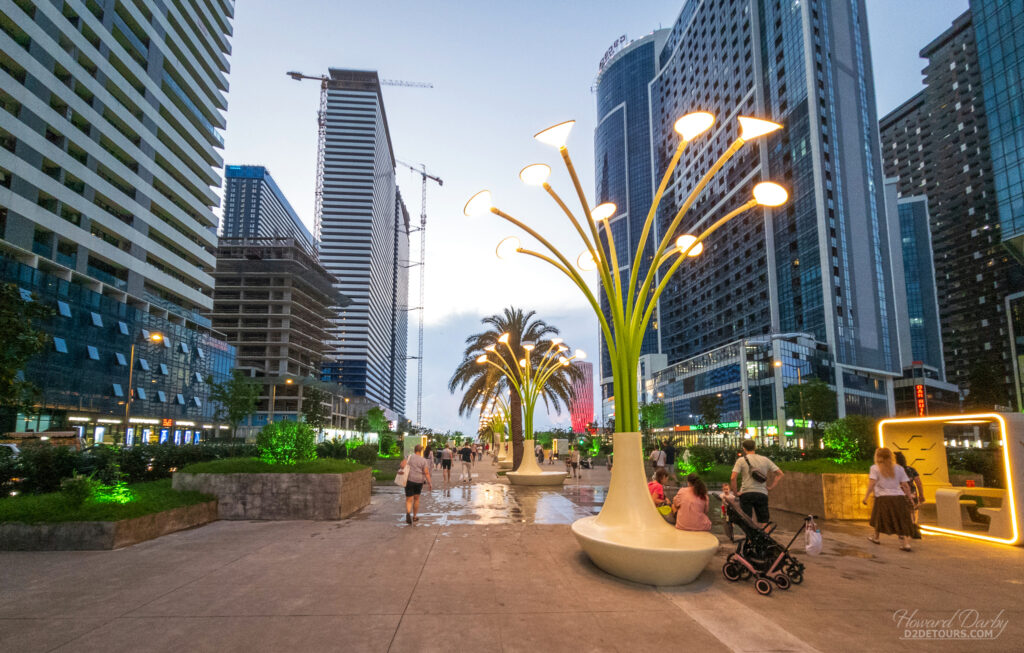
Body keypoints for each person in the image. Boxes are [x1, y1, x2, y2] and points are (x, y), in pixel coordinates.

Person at [863, 447, 916, 551]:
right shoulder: (899, 468)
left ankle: (876, 537)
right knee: (900, 519)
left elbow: (872, 483)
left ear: (877, 456)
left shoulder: (875, 468)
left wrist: (866, 496)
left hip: (882, 498)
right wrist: (910, 498)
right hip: (898, 497)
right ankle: (905, 543)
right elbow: (905, 485)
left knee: (879, 517)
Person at [730, 439, 783, 526]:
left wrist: (735, 492)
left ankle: (751, 539)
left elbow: (733, 478)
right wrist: (771, 487)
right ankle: (764, 539)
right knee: (764, 521)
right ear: (755, 447)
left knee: (747, 520)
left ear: (744, 448)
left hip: (746, 493)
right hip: (762, 493)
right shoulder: (765, 459)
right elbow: (780, 474)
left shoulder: (741, 460)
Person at [399, 444, 432, 524]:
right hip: (419, 481)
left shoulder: (409, 457)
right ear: (421, 451)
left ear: (414, 450)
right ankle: (414, 516)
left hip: (409, 480)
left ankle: (408, 513)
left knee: (409, 499)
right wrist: (429, 483)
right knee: (416, 499)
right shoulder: (423, 460)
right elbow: (426, 473)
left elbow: (402, 465)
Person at [894, 451, 924, 525]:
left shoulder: (893, 471)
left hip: (898, 494)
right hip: (912, 493)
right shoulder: (911, 470)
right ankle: (913, 525)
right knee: (913, 510)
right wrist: (921, 495)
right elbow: (918, 483)